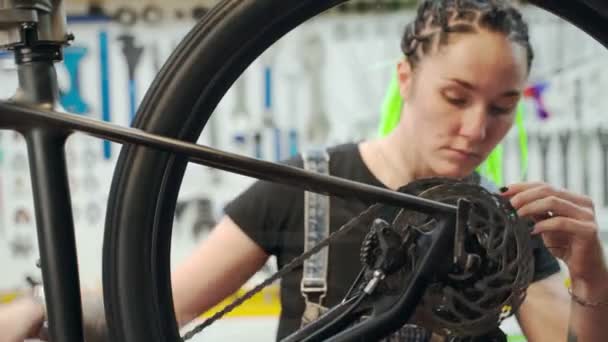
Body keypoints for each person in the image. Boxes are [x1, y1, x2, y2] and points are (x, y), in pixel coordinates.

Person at [3, 0, 608, 341]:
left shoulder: (508, 220)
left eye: (503, 108)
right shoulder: (300, 186)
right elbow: (159, 299)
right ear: (406, 78)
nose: (478, 128)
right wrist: (38, 306)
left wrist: (592, 274)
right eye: (456, 97)